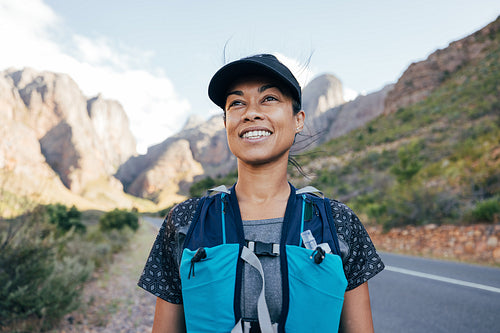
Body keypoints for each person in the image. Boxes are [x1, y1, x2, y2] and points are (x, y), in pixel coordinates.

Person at [138, 54, 384, 333]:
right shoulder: (185, 221)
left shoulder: (338, 222)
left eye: (269, 99)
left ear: (298, 120)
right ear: (226, 122)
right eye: (237, 103)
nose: (250, 112)